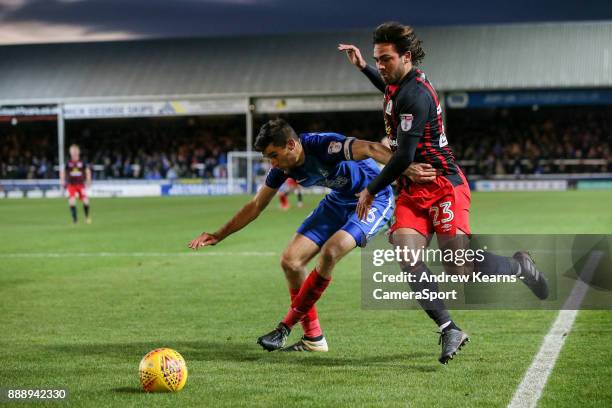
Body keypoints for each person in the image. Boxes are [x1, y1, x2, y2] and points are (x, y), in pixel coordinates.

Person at [339, 22, 549, 364]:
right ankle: (449, 327)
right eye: (377, 59)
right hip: (412, 190)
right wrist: (363, 67)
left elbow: (404, 157)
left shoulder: (415, 95)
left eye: (385, 59)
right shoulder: (397, 84)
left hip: (442, 185)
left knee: (458, 268)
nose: (381, 65)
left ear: (406, 57)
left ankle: (519, 266)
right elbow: (388, 90)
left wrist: (370, 190)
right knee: (407, 255)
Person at [188, 119, 437, 352]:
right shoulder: (283, 169)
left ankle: (285, 327)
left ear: (291, 144)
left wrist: (407, 168)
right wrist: (218, 235)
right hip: (339, 201)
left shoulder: (324, 145)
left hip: (373, 198)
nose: (272, 163)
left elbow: (372, 148)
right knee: (290, 261)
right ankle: (313, 337)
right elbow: (255, 206)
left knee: (331, 251)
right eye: (268, 158)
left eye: (274, 155)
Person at [60, 144, 92, 224]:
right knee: (72, 201)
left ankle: (87, 217)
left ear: (78, 152)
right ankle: (75, 220)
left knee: (86, 201)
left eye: (75, 151)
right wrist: (62, 180)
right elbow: (63, 171)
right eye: (72, 152)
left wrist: (88, 180)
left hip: (80, 185)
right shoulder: (68, 163)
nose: (74, 153)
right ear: (70, 153)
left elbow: (87, 171)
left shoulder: (82, 162)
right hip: (71, 185)